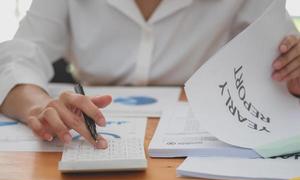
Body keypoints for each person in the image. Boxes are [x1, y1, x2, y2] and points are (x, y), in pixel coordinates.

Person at [0, 0, 299, 149]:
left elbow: (283, 65)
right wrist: (38, 106)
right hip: (93, 129)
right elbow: (19, 55)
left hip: (202, 138)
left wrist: (294, 77)